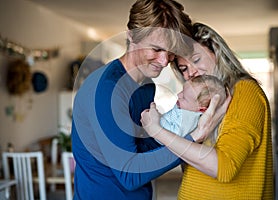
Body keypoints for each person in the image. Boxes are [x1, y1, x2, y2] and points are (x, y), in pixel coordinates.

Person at [71, 0, 203, 199]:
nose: (165, 61)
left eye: (170, 52)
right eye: (157, 49)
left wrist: (183, 121)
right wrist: (192, 140)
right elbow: (129, 175)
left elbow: (144, 147)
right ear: (131, 36)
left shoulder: (146, 85)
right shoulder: (106, 89)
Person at [141, 22, 273, 199]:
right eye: (184, 69)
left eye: (196, 60)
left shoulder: (244, 91)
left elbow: (224, 168)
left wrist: (157, 131)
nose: (193, 72)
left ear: (217, 52)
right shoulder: (201, 104)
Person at [160, 74, 227, 145]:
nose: (178, 95)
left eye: (184, 98)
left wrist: (156, 119)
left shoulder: (188, 118)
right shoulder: (187, 108)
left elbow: (170, 135)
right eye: (182, 91)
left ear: (201, 110)